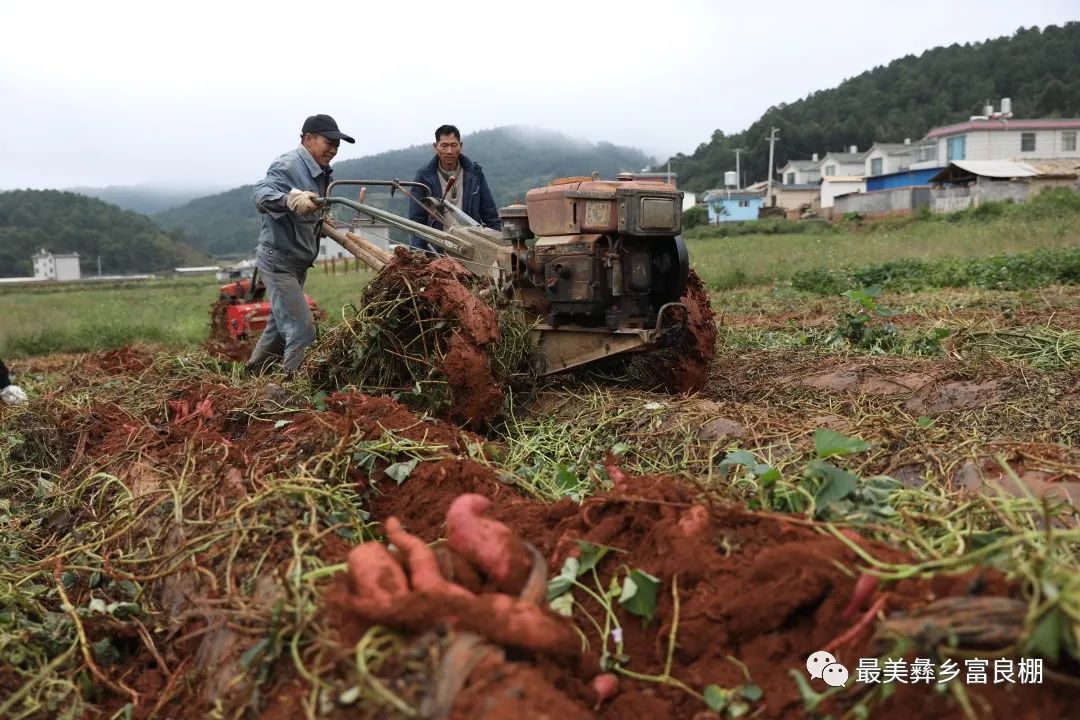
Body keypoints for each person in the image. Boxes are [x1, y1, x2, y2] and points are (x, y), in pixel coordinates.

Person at [245, 114, 355, 375]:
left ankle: (253, 376)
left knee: (277, 327)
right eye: (329, 142)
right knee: (302, 329)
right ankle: (295, 389)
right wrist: (290, 200)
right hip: (279, 259)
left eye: (337, 145)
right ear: (308, 139)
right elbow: (260, 194)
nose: (334, 150)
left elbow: (313, 214)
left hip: (297, 262)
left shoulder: (321, 173)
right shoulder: (289, 165)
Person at [408, 124, 501, 252]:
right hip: (437, 250)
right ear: (436, 147)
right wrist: (417, 252)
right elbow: (416, 221)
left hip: (471, 248)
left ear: (461, 146)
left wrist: (500, 246)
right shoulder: (424, 176)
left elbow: (489, 214)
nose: (449, 151)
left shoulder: (474, 173)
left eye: (454, 145)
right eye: (444, 146)